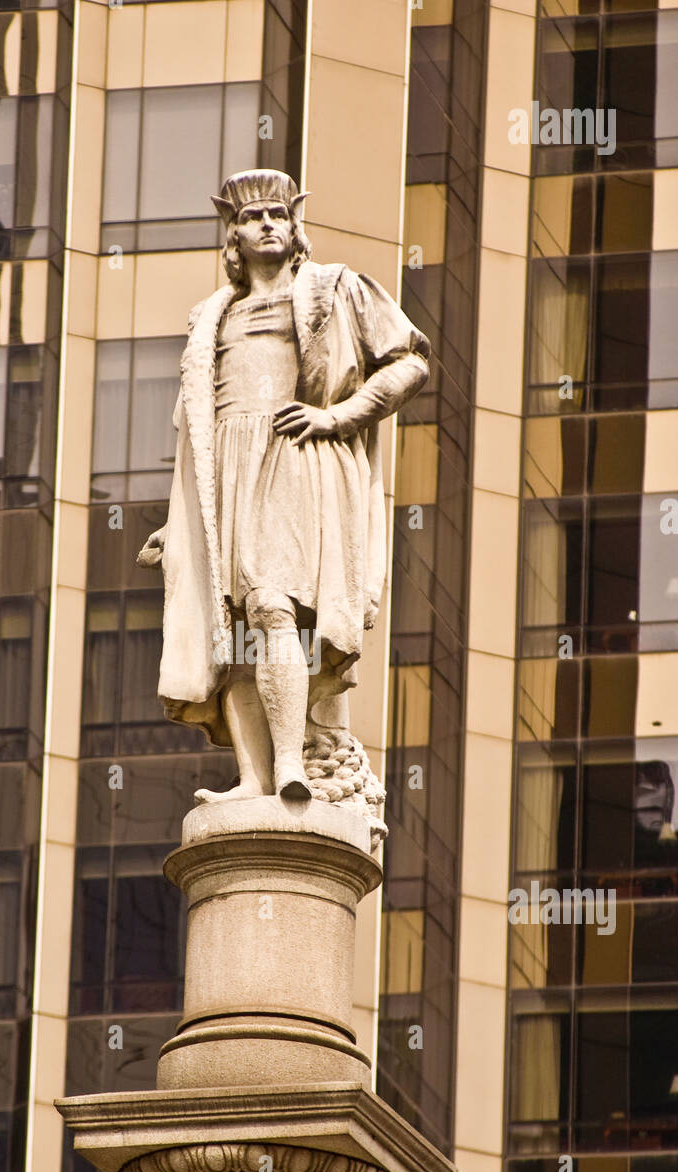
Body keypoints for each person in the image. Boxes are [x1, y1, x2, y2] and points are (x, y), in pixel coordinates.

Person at [138, 169, 430, 814]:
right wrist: (179, 519)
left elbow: (410, 360)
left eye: (277, 213)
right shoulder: (212, 317)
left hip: (296, 455)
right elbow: (197, 427)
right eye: (251, 217)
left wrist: (337, 417)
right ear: (233, 236)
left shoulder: (336, 289)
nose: (266, 224)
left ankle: (294, 764)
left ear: (295, 227)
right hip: (226, 473)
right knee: (231, 628)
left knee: (273, 608)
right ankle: (254, 777)